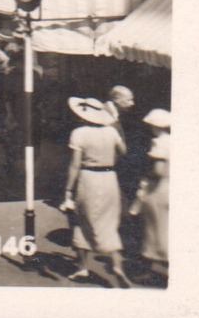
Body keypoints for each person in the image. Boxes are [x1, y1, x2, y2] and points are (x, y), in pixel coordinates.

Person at [61, 96, 130, 287]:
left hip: (88, 178)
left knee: (82, 222)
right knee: (108, 223)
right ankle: (117, 265)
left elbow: (74, 165)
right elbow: (123, 151)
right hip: (109, 178)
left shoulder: (79, 133)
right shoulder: (111, 131)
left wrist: (68, 191)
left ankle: (82, 267)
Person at [131, 108, 171, 283]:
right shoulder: (175, 140)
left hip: (158, 188)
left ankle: (154, 269)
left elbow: (158, 170)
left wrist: (145, 176)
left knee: (153, 229)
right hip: (172, 187)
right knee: (166, 227)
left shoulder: (159, 142)